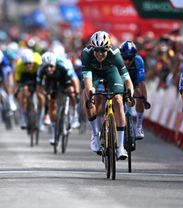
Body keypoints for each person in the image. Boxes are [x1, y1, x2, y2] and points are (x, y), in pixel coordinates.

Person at [81, 31, 134, 160]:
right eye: (97, 51)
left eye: (103, 51)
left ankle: (120, 146)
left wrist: (130, 93)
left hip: (111, 72)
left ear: (108, 48)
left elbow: (127, 80)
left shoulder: (115, 55)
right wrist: (90, 93)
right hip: (94, 73)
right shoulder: (86, 54)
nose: (100, 54)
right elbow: (88, 81)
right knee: (88, 97)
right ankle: (95, 134)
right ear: (92, 48)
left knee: (118, 100)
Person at [36, 51, 78, 145]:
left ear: (55, 64)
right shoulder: (41, 69)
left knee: (71, 91)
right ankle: (54, 133)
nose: (49, 69)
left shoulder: (63, 65)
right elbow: (39, 87)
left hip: (64, 78)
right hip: (51, 81)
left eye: (51, 66)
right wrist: (44, 95)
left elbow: (74, 80)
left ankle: (75, 114)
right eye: (47, 67)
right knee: (51, 101)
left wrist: (77, 93)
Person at [119, 40, 148, 140]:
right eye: (125, 58)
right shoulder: (116, 60)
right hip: (120, 81)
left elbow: (141, 82)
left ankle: (139, 126)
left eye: (130, 59)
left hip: (134, 81)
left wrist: (144, 99)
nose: (127, 61)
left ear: (134, 57)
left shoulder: (138, 61)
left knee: (139, 94)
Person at [14, 49, 43, 129]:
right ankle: (24, 116)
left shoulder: (38, 61)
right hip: (25, 75)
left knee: (40, 94)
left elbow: (43, 77)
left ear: (33, 61)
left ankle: (41, 118)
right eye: (26, 64)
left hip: (36, 74)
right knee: (23, 92)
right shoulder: (19, 65)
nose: (28, 66)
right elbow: (18, 81)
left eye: (30, 63)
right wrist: (18, 91)